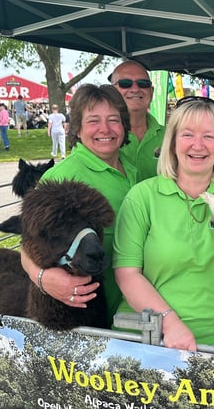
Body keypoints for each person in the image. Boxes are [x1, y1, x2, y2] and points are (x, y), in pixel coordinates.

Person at [113, 96, 214, 350]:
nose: (198, 145)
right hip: (148, 341)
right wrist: (170, 324)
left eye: (209, 136)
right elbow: (127, 275)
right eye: (188, 134)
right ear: (172, 142)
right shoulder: (142, 197)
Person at [21, 84, 136, 327]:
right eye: (93, 121)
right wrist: (41, 277)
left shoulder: (134, 167)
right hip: (96, 310)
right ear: (78, 129)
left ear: (124, 126)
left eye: (113, 120)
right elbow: (29, 243)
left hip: (137, 304)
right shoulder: (61, 178)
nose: (105, 129)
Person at [108, 60, 165, 182]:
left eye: (143, 83)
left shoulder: (171, 136)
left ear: (152, 91)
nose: (135, 89)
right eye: (125, 83)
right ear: (111, 91)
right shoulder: (99, 136)